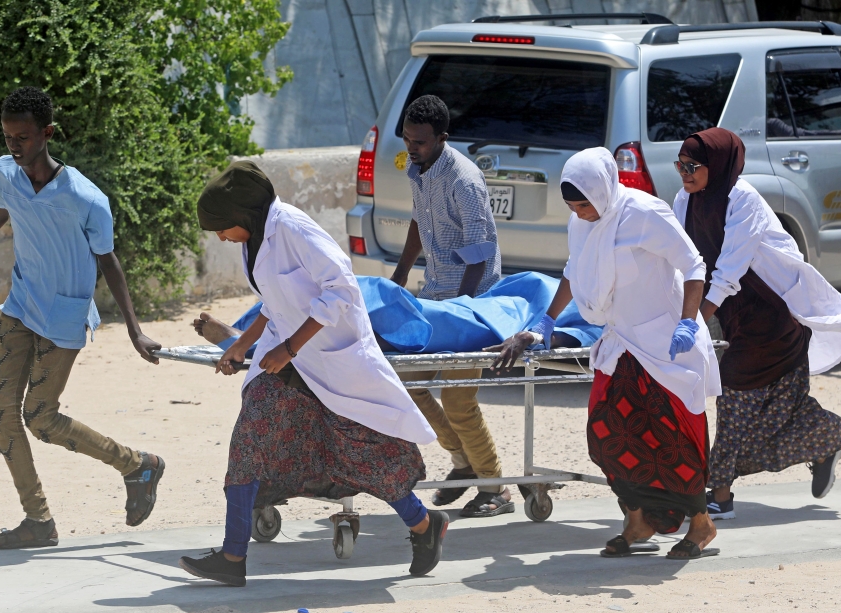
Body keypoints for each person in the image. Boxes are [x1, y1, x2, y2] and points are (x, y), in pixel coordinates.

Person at [0, 87, 165, 549]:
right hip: (22, 305)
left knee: (40, 417)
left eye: (24, 137)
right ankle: (39, 521)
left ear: (47, 133)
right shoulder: (4, 174)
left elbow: (109, 262)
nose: (15, 145)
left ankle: (137, 464)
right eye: (9, 136)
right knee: (0, 410)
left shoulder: (85, 198)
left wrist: (135, 330)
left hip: (65, 316)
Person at [176, 161, 448, 587]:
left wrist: (290, 347)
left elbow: (341, 289)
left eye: (221, 228)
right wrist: (242, 344)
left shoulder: (295, 230)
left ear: (243, 216)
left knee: (361, 452)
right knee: (249, 439)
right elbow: (276, 301)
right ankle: (232, 556)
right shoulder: (258, 237)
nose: (219, 237)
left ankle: (423, 524)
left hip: (329, 359)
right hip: (287, 361)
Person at [491, 148, 722, 560]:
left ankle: (701, 525)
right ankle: (638, 521)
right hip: (620, 344)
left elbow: (694, 265)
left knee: (674, 437)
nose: (580, 213)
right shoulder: (581, 223)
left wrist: (689, 322)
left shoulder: (645, 214)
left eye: (584, 203)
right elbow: (573, 269)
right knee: (607, 434)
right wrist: (543, 322)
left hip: (666, 344)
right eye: (572, 206)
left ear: (604, 189)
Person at [674, 128, 841, 521]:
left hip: (771, 316)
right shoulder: (684, 201)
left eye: (693, 166)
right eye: (680, 165)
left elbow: (729, 270)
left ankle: (720, 494)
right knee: (775, 413)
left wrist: (695, 320)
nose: (684, 173)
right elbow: (681, 260)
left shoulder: (743, 200)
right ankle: (827, 437)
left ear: (718, 165)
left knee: (735, 394)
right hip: (734, 315)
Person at [389, 94, 514, 518]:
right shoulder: (417, 168)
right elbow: (419, 220)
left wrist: (464, 304)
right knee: (409, 381)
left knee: (460, 402)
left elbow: (481, 249)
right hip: (435, 293)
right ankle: (464, 465)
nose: (411, 147)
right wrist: (402, 272)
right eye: (407, 139)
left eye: (420, 142)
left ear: (442, 138)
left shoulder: (463, 178)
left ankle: (494, 487)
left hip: (471, 299)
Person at [191, 272, 600, 355]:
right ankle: (249, 330)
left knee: (382, 298)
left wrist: (530, 336)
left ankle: (248, 337)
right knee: (383, 296)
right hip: (476, 306)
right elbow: (505, 288)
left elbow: (573, 337)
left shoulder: (600, 313)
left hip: (483, 327)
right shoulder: (567, 281)